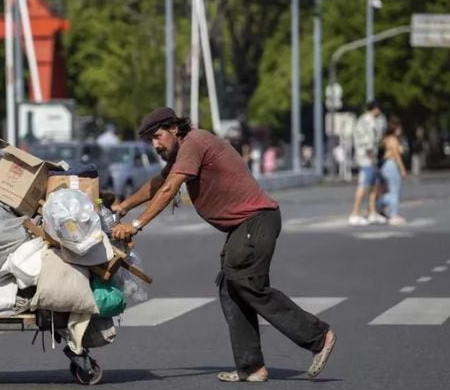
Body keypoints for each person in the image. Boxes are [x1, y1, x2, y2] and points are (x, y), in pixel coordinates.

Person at [110, 107, 337, 383]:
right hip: (244, 227)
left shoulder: (193, 143)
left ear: (173, 129)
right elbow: (160, 183)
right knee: (231, 289)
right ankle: (251, 367)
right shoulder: (185, 149)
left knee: (247, 284)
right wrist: (123, 206)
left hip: (256, 221)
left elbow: (170, 189)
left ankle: (318, 335)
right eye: (151, 141)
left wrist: (135, 225)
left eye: (158, 137)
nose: (155, 145)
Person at [348, 100, 387, 225]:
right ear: (375, 108)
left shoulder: (376, 121)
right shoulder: (365, 121)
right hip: (366, 158)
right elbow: (367, 141)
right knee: (364, 185)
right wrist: (371, 157)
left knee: (374, 186)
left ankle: (372, 212)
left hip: (373, 158)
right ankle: (355, 213)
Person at [379, 118, 408, 225]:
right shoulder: (393, 140)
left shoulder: (385, 139)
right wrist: (402, 169)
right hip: (391, 165)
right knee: (394, 191)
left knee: (388, 190)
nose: (400, 130)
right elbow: (396, 155)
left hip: (385, 165)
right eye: (399, 128)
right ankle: (393, 214)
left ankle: (378, 207)